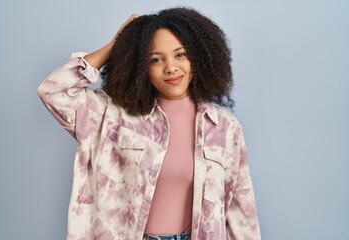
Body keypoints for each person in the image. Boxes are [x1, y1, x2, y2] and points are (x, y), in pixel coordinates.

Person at [38, 7, 261, 240]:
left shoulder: (225, 128)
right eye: (156, 59)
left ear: (199, 56)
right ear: (141, 66)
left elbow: (241, 216)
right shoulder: (113, 116)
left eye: (181, 54)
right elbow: (53, 90)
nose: (171, 67)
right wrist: (116, 46)